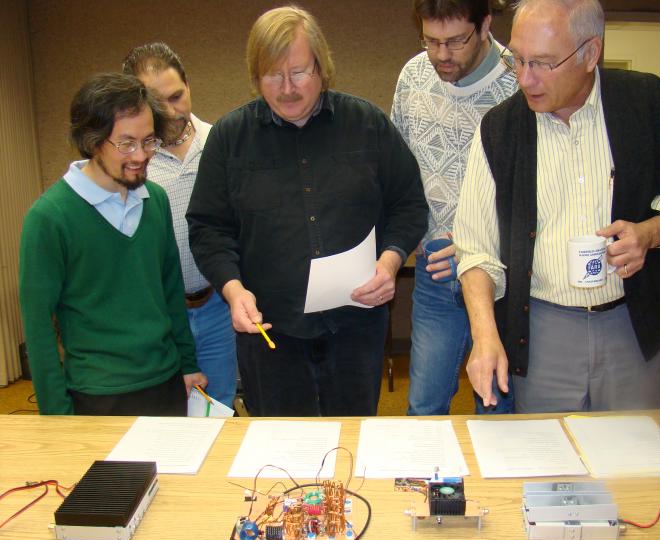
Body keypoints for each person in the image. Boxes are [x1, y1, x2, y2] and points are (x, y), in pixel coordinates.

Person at [454, 0, 660, 413]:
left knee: (633, 446)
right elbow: (475, 249)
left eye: (542, 63)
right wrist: (485, 334)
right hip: (543, 331)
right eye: (517, 59)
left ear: (590, 53)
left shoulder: (650, 102)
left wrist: (651, 233)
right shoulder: (499, 129)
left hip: (634, 325)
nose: (524, 78)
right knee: (548, 448)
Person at [187, 6, 427, 417]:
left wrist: (389, 263)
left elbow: (408, 204)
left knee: (351, 439)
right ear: (255, 75)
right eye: (272, 75)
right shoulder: (229, 138)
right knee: (282, 445)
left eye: (298, 72)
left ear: (321, 66)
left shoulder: (367, 124)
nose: (287, 89)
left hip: (356, 326)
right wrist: (232, 289)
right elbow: (208, 228)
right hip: (270, 332)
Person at [19, 73, 206, 415]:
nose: (141, 155)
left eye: (148, 141)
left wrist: (188, 363)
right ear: (92, 141)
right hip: (98, 395)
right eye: (126, 143)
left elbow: (170, 291)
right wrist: (56, 416)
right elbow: (38, 326)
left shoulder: (156, 200)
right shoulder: (49, 218)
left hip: (166, 384)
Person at [392, 0, 517, 415]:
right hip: (435, 272)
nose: (441, 55)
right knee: (423, 407)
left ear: (485, 25)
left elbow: (537, 194)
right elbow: (400, 173)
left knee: (496, 407)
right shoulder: (414, 76)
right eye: (431, 41)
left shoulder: (521, 80)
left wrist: (476, 245)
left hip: (502, 278)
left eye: (455, 41)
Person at [123, 43, 238, 409]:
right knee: (162, 414)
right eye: (158, 104)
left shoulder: (219, 143)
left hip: (217, 305)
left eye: (177, 96)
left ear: (188, 84)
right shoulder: (133, 162)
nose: (172, 112)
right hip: (158, 314)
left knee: (217, 407)